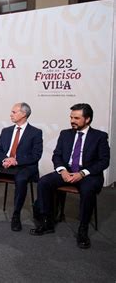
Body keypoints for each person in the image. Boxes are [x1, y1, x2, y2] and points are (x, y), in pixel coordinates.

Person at [30, 103, 110, 249]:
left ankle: (83, 230)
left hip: (88, 174)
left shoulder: (100, 136)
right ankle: (48, 221)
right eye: (71, 117)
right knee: (43, 182)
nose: (72, 120)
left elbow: (104, 161)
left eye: (76, 118)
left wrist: (82, 173)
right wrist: (63, 171)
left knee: (88, 191)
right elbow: (57, 155)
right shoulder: (65, 134)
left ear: (87, 119)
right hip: (66, 171)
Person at [0, 102, 43, 232]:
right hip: (5, 164)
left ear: (23, 114)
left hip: (24, 166)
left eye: (14, 112)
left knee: (21, 180)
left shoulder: (35, 132)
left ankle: (16, 215)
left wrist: (15, 161)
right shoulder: (6, 131)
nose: (11, 114)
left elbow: (36, 155)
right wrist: (5, 159)